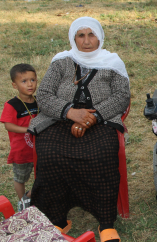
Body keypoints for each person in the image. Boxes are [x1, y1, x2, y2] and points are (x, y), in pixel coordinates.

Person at [28, 17, 130, 242]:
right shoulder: (61, 62)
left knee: (101, 155)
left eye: (91, 34)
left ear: (100, 37)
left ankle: (106, 223)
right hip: (59, 120)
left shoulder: (112, 63)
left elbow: (122, 96)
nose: (86, 41)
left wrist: (90, 118)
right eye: (80, 35)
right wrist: (70, 112)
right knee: (50, 154)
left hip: (99, 120)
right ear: (73, 38)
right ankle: (57, 218)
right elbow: (43, 94)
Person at [0, 64, 39, 212]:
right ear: (14, 85)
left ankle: (30, 197)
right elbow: (8, 126)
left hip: (37, 149)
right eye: (24, 81)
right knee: (20, 178)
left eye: (33, 80)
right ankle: (23, 203)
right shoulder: (12, 104)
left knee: (41, 176)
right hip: (21, 150)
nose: (30, 84)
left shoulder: (38, 101)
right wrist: (28, 129)